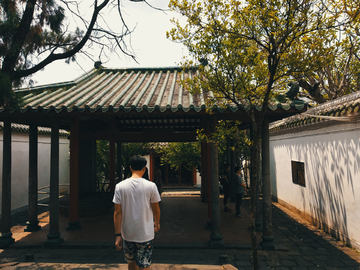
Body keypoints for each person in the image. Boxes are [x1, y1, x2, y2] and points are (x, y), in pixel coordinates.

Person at [113, 156, 161, 270]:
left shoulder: (120, 186)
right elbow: (156, 209)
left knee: (131, 262)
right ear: (144, 169)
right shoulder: (151, 186)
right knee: (145, 264)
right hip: (145, 233)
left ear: (130, 168)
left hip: (127, 233)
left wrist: (117, 235)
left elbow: (117, 213)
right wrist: (157, 222)